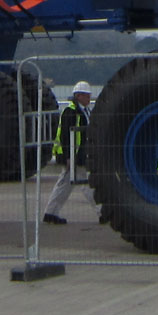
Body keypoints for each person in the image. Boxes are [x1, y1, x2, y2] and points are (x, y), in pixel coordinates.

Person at [41, 81, 94, 226]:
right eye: (87, 95)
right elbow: (65, 135)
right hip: (74, 156)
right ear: (79, 96)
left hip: (78, 155)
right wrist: (68, 157)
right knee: (85, 183)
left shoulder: (84, 111)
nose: (89, 98)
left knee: (65, 185)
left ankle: (50, 213)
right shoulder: (71, 112)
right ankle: (102, 212)